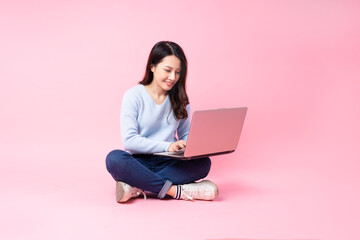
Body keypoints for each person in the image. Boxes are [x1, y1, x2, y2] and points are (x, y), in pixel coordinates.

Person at [105, 41, 218, 203]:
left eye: (178, 72)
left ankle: (136, 185)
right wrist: (167, 146)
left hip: (170, 161)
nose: (173, 77)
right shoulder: (133, 96)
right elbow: (130, 141)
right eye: (168, 70)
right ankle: (177, 191)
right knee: (114, 158)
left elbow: (185, 135)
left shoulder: (181, 99)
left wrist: (192, 145)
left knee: (203, 163)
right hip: (138, 161)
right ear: (152, 67)